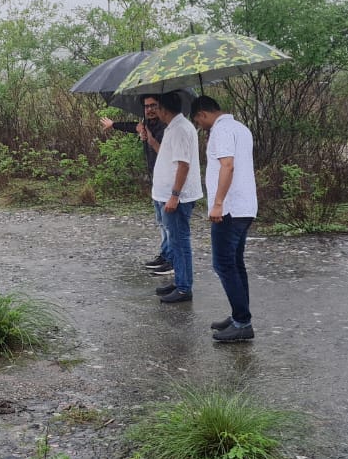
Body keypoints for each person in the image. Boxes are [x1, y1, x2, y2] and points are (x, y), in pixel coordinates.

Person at [190, 94, 257, 341]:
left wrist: (217, 204)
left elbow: (227, 166)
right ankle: (240, 315)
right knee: (235, 263)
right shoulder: (240, 128)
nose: (200, 126)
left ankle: (242, 323)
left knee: (223, 264)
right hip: (245, 206)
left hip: (230, 208)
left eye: (198, 122)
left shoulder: (221, 131)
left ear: (202, 114)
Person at [100, 98, 168, 270]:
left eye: (154, 106)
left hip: (167, 179)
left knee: (168, 223)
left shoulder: (166, 126)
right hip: (156, 177)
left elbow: (164, 150)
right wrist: (114, 125)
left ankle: (171, 259)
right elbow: (133, 126)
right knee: (160, 220)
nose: (150, 110)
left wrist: (147, 135)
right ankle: (165, 253)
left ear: (161, 107)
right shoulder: (148, 123)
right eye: (147, 107)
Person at [149, 91, 202, 304]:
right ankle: (180, 280)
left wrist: (174, 195)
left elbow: (183, 164)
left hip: (176, 197)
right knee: (175, 239)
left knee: (180, 241)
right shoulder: (174, 127)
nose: (154, 111)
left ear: (164, 109)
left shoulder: (180, 129)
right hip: (168, 194)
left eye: (156, 107)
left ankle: (184, 288)